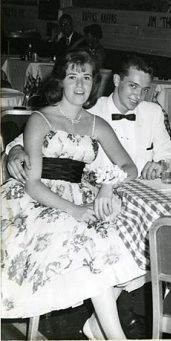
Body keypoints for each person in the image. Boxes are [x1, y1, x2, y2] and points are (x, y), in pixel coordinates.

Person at [1, 50, 144, 339]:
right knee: (90, 241)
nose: (80, 85)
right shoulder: (40, 119)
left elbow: (129, 167)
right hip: (34, 200)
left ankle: (97, 326)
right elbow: (32, 183)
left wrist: (108, 184)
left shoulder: (97, 124)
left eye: (87, 77)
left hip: (79, 193)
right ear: (61, 82)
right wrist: (75, 210)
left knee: (127, 237)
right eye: (73, 77)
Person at [6, 53, 171, 182]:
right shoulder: (88, 108)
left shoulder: (153, 112)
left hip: (141, 191)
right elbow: (26, 138)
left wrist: (161, 165)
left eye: (145, 90)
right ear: (116, 80)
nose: (138, 96)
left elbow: (170, 156)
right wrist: (15, 151)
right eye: (133, 86)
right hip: (95, 192)